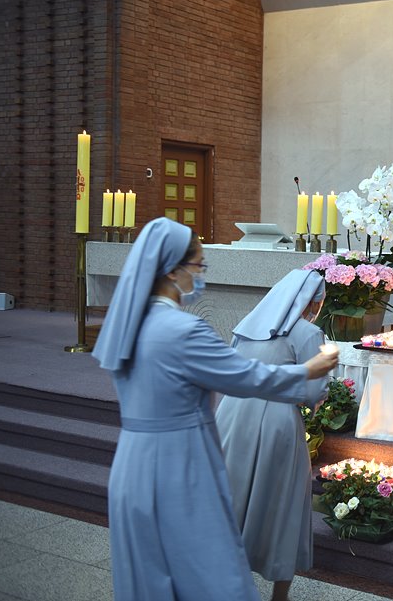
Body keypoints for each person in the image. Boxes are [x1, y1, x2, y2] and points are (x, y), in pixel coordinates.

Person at [91, 217, 339, 601]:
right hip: (178, 462)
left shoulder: (130, 323)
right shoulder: (183, 330)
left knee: (151, 579)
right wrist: (308, 370)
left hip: (131, 463)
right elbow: (246, 376)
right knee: (212, 576)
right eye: (198, 265)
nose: (200, 275)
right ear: (171, 269)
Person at [215, 269, 328, 601]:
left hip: (231, 414)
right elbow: (314, 389)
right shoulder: (308, 332)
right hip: (276, 420)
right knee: (282, 502)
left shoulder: (249, 324)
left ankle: (224, 581)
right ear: (313, 303)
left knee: (231, 496)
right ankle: (279, 595)